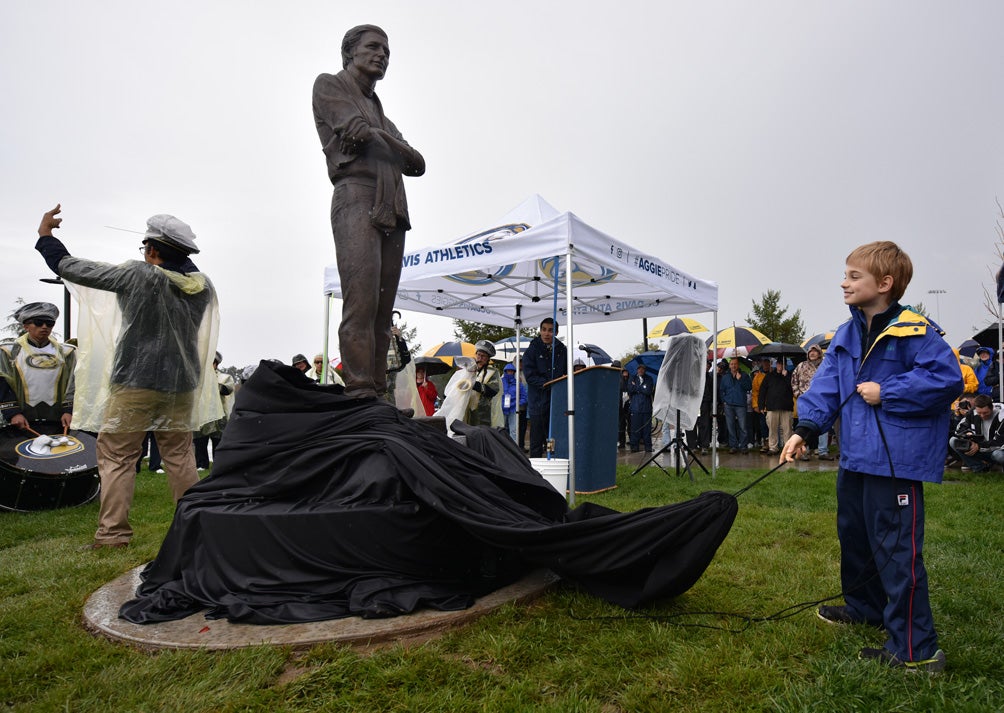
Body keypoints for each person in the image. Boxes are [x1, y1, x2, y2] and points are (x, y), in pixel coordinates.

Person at [781, 241, 962, 672]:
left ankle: (916, 650)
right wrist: (805, 430)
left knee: (898, 552)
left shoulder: (916, 330)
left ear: (885, 284)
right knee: (856, 540)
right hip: (855, 460)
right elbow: (826, 386)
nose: (844, 282)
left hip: (894, 463)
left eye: (853, 276)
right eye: (845, 274)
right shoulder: (844, 334)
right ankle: (866, 608)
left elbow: (947, 379)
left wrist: (889, 392)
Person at [35, 205, 222, 550]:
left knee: (119, 456)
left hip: (135, 381)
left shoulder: (139, 275)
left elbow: (71, 268)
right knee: (180, 456)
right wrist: (174, 250)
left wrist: (46, 237)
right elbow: (182, 266)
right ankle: (198, 529)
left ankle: (112, 534)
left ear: (151, 251)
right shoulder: (202, 286)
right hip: (182, 385)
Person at [313, 24, 426, 400]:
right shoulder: (329, 85)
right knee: (361, 300)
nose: (382, 55)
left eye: (387, 51)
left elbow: (418, 163)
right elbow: (357, 132)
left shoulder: (382, 114)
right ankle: (360, 389)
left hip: (391, 204)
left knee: (382, 308)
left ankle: (378, 392)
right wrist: (391, 145)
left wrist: (383, 140)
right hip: (356, 195)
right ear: (351, 53)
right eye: (374, 47)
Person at [0, 302, 75, 431]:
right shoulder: (8, 352)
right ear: (26, 326)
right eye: (39, 322)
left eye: (50, 323)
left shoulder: (68, 353)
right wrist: (13, 413)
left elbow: (74, 383)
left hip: (59, 423)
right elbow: (2, 382)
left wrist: (69, 410)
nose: (45, 327)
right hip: (20, 424)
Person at [523, 318, 568, 458]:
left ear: (556, 332)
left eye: (550, 330)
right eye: (544, 329)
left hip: (556, 403)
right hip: (538, 402)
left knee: (553, 439)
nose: (547, 333)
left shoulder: (562, 350)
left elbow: (566, 372)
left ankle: (553, 465)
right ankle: (535, 472)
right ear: (540, 330)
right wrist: (548, 383)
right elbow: (529, 376)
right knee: (536, 441)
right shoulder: (532, 349)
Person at [791, 345, 833, 460]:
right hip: (806, 402)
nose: (812, 353)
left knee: (823, 423)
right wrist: (799, 395)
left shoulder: (825, 366)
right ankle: (804, 452)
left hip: (821, 400)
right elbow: (794, 381)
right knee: (805, 427)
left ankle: (823, 451)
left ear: (819, 353)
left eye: (815, 351)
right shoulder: (801, 366)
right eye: (810, 351)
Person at [948, 393, 1004, 472]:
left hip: (997, 450)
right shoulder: (972, 412)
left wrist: (979, 446)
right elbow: (959, 430)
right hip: (981, 449)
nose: (982, 415)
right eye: (979, 413)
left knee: (999, 455)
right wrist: (967, 435)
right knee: (953, 441)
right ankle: (979, 468)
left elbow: (1000, 442)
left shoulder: (1001, 414)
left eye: (985, 413)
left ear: (992, 408)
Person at [758, 358, 794, 455]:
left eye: (782, 364)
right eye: (778, 363)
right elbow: (762, 391)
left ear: (785, 365)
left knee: (787, 429)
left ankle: (787, 449)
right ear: (776, 364)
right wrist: (761, 405)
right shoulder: (769, 376)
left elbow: (793, 389)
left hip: (786, 407)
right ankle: (773, 447)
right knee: (772, 429)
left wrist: (786, 377)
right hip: (772, 406)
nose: (780, 365)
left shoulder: (790, 376)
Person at [464, 340, 503, 428]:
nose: (480, 358)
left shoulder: (493, 372)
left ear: (488, 358)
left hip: (484, 414)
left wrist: (474, 384)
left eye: (483, 356)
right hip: (468, 411)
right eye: (478, 355)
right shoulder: (469, 370)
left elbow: (493, 390)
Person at [719, 357, 751, 454]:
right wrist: (724, 401)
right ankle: (733, 446)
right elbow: (721, 390)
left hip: (740, 404)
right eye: (732, 364)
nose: (733, 366)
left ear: (738, 365)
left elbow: (749, 387)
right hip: (728, 405)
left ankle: (743, 446)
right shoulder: (725, 377)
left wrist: (740, 379)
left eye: (735, 364)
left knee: (743, 427)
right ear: (729, 365)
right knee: (730, 426)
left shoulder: (744, 375)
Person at [627, 362, 655, 452]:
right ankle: (634, 446)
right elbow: (630, 389)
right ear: (637, 369)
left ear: (645, 370)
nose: (641, 370)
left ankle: (648, 447)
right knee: (635, 429)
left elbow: (648, 391)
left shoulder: (649, 379)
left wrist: (637, 387)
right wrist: (642, 387)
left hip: (646, 408)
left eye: (642, 369)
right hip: (635, 408)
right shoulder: (632, 378)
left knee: (647, 429)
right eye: (639, 369)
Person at [500, 362, 525, 442]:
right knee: (501, 429)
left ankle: (513, 449)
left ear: (514, 372)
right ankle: (500, 447)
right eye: (508, 371)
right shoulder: (500, 382)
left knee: (513, 430)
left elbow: (524, 397)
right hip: (501, 409)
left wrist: (517, 404)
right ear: (505, 371)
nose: (510, 373)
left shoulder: (518, 383)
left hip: (513, 409)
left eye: (512, 371)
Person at [618, 368, 631, 449]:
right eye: (624, 372)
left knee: (630, 424)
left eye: (626, 372)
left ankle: (631, 440)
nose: (625, 373)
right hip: (621, 406)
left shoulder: (630, 381)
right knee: (621, 425)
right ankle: (622, 442)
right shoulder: (620, 381)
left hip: (629, 405)